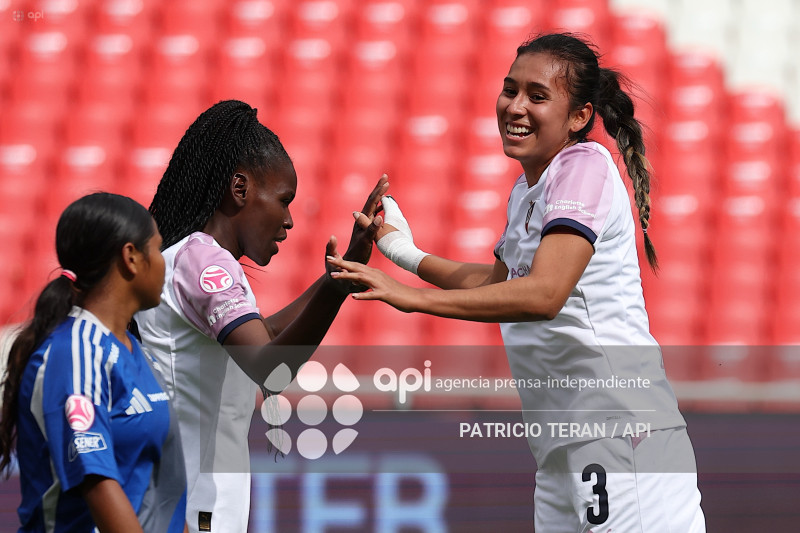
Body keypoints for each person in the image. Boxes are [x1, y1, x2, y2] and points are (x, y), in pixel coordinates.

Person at [328, 33, 706, 532]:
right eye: (510, 90)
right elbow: (498, 282)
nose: (516, 106)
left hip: (621, 435)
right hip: (561, 446)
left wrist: (412, 300)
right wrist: (404, 251)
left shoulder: (583, 167)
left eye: (537, 95)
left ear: (579, 117)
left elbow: (544, 295)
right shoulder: (529, 188)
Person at [134, 99, 386, 533]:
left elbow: (263, 333)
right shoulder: (205, 263)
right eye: (283, 200)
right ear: (240, 189)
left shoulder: (193, 257)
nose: (289, 220)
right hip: (193, 506)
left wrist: (338, 277)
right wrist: (337, 289)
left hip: (188, 503)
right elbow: (270, 368)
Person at [0, 192, 187, 532]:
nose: (164, 262)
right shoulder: (76, 353)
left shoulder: (135, 352)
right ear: (131, 257)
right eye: (158, 249)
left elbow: (162, 493)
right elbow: (98, 484)